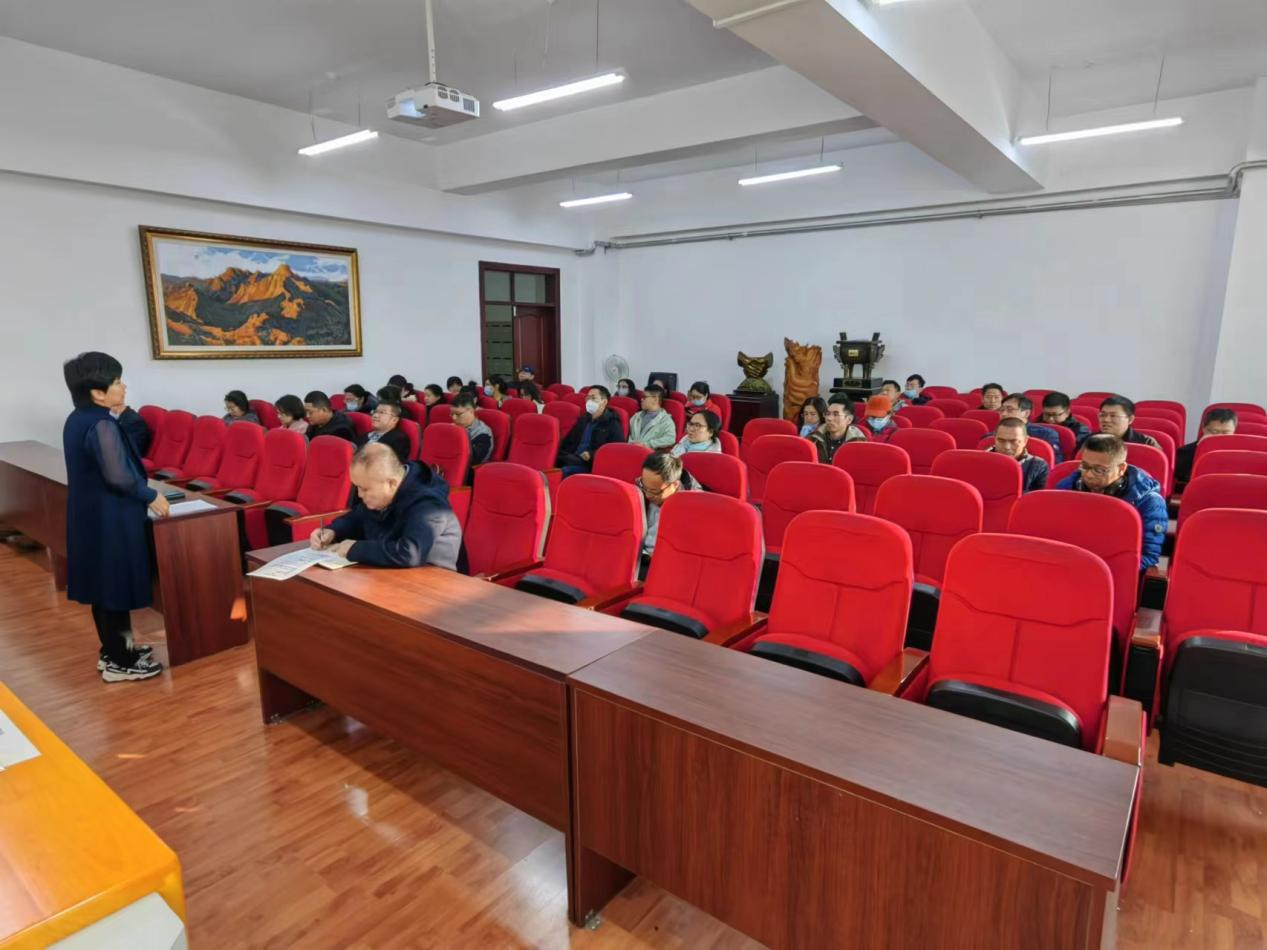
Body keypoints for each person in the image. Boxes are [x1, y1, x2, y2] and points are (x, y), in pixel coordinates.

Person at [62, 351, 167, 682]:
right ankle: (120, 663)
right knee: (115, 587)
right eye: (117, 382)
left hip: (92, 517)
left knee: (105, 588)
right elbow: (119, 476)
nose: (123, 387)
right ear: (98, 392)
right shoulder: (102, 423)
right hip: (111, 520)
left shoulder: (78, 417)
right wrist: (151, 496)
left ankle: (115, 649)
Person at [310, 443, 461, 569]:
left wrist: (356, 548)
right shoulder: (381, 491)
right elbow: (357, 518)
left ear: (391, 483)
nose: (360, 495)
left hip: (431, 582)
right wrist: (334, 531)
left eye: (365, 489)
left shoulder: (428, 504)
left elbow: (410, 553)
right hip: (389, 575)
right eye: (357, 487)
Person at [1057, 434, 1167, 570]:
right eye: (1084, 466)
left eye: (1100, 470)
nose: (1088, 474)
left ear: (1121, 469)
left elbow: (1150, 557)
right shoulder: (1065, 489)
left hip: (1114, 572)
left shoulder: (1148, 501)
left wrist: (1099, 570)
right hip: (1068, 565)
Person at [638, 452, 694, 566]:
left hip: (668, 564)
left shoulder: (692, 508)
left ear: (675, 485)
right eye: (645, 487)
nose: (648, 495)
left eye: (654, 491)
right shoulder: (638, 491)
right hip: (638, 557)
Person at [558, 385, 624, 475]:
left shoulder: (612, 423)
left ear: (604, 402)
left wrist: (592, 454)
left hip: (591, 465)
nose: (589, 401)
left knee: (563, 472)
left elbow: (615, 450)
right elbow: (568, 441)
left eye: (593, 398)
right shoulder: (583, 419)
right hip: (573, 459)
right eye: (588, 398)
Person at [1175, 408, 1238, 488]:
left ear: (1233, 432)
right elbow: (1180, 477)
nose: (1219, 437)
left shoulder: (1239, 454)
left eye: (1226, 432)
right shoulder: (1186, 451)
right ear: (1204, 429)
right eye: (1214, 432)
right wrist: (1199, 450)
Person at [989, 418, 1048, 493]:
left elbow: (1036, 498)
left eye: (1014, 441)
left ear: (1025, 441)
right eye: (1001, 441)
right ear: (994, 439)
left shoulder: (1038, 466)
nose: (1007, 447)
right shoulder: (982, 461)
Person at [998, 394, 1063, 462]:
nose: (1003, 414)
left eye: (1010, 410)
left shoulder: (1046, 434)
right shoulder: (994, 434)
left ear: (1026, 413)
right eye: (1002, 410)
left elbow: (1054, 462)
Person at [809, 395, 867, 463]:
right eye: (827, 413)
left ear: (849, 419)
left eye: (835, 414)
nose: (829, 418)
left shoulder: (858, 443)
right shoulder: (814, 438)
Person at [450, 392, 493, 466]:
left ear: (471, 411)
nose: (454, 418)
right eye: (451, 414)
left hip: (470, 469)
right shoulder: (453, 426)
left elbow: (472, 459)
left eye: (458, 414)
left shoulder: (482, 433)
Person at [629, 385, 676, 450]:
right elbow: (627, 435)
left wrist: (647, 444)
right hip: (631, 450)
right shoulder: (637, 416)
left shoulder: (666, 420)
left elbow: (670, 439)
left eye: (644, 397)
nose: (641, 399)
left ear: (655, 399)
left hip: (649, 453)